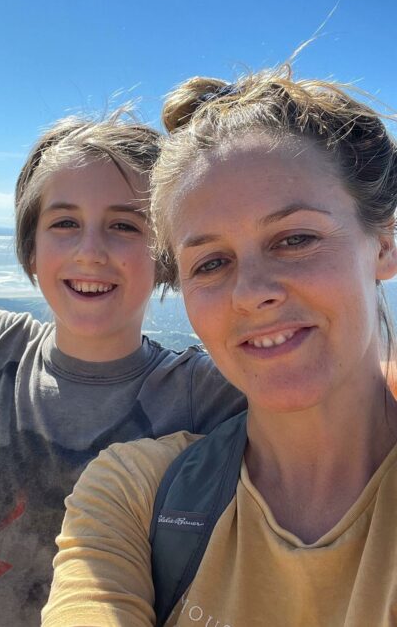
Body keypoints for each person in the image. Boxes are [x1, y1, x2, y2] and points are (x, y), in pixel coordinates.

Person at [0, 81, 245, 626]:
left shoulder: (203, 390)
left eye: (124, 225)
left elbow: (355, 396)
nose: (90, 250)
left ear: (165, 253)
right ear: (31, 250)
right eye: (64, 223)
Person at [42, 66, 397, 626]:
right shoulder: (132, 494)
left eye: (295, 239)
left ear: (384, 244)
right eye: (210, 263)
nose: (252, 293)